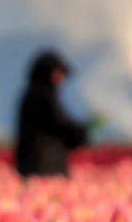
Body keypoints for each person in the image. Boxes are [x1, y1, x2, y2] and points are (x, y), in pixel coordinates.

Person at [13, 50, 103, 179]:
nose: (60, 79)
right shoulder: (43, 96)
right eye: (57, 73)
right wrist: (83, 131)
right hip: (43, 163)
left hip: (36, 161)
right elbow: (58, 123)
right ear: (47, 73)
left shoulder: (34, 94)